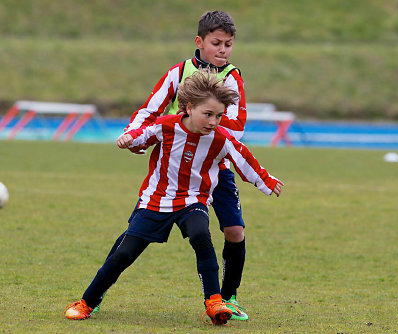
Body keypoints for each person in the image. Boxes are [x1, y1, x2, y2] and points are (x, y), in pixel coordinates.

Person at [64, 70, 284, 325]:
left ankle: (214, 302)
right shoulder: (167, 126)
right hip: (156, 199)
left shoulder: (221, 139)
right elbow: (143, 135)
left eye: (219, 116)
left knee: (201, 235)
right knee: (125, 253)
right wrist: (129, 139)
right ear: (189, 108)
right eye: (208, 114)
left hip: (193, 200)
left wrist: (265, 180)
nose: (214, 122)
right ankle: (86, 302)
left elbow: (243, 158)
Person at [92, 10, 251, 320]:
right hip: (173, 167)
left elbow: (237, 125)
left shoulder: (232, 77)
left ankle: (228, 297)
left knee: (234, 230)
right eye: (216, 43)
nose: (223, 50)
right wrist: (133, 137)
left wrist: (208, 135)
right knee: (133, 235)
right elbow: (150, 110)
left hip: (215, 167)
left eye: (228, 44)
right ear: (199, 42)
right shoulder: (179, 73)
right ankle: (95, 294)